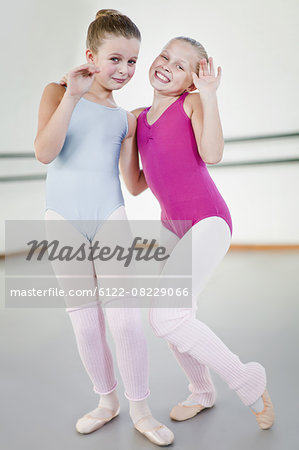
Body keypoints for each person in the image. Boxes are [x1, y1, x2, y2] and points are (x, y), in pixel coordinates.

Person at [34, 9, 174, 446]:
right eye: (116, 59)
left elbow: (133, 184)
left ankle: (141, 410)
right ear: (91, 56)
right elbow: (45, 152)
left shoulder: (125, 119)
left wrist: (173, 156)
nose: (125, 71)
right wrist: (72, 97)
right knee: (85, 322)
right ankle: (106, 402)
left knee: (127, 321)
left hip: (110, 217)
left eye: (132, 62)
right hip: (63, 220)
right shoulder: (56, 92)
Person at [121, 36, 275, 430]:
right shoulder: (137, 117)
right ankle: (201, 391)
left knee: (166, 317)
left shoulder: (189, 102)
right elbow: (137, 184)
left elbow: (212, 154)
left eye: (181, 66)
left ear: (192, 80)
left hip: (208, 221)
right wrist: (125, 141)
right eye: (165, 57)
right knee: (178, 317)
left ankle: (248, 380)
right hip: (171, 227)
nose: (167, 66)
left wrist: (209, 96)